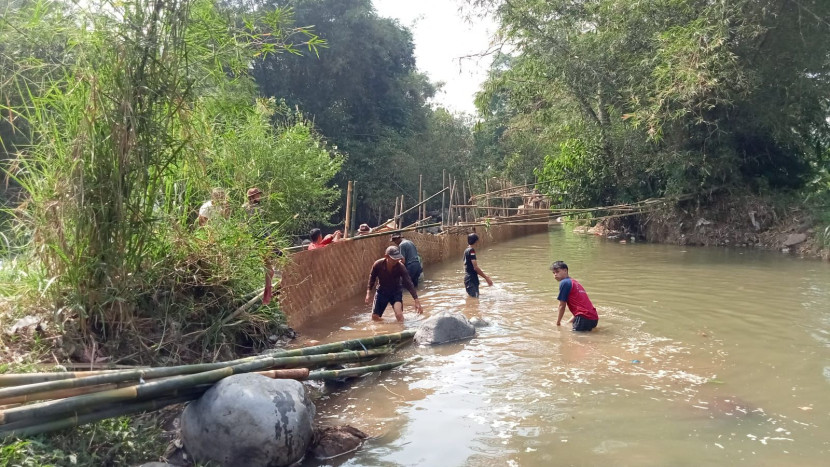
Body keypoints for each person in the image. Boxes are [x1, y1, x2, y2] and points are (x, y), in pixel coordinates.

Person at [365, 245, 423, 322]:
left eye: (397, 259)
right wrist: (368, 292)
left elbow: (408, 282)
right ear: (386, 257)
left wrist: (416, 300)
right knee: (375, 317)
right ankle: (387, 325)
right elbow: (372, 278)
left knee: (399, 315)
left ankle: (401, 330)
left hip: (396, 292)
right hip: (382, 292)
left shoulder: (400, 267)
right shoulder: (378, 264)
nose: (396, 261)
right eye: (393, 259)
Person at [551, 261, 599, 331]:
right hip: (594, 318)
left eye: (557, 272)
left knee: (576, 341)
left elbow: (562, 306)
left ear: (565, 270)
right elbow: (581, 307)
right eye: (554, 273)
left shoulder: (564, 282)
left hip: (584, 318)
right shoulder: (575, 282)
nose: (555, 274)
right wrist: (568, 322)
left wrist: (558, 323)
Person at [463, 233, 493, 297]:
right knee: (475, 298)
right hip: (471, 279)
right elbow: (475, 267)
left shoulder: (466, 250)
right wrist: (486, 277)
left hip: (469, 278)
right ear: (475, 241)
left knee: (474, 300)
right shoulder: (471, 251)